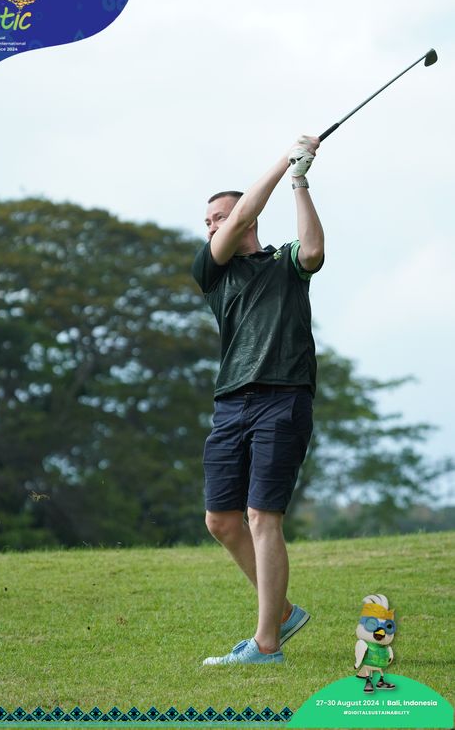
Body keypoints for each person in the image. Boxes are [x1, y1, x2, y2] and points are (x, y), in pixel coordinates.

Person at [191, 135, 324, 665]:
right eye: (207, 222)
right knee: (221, 520)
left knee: (261, 516)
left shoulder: (284, 263)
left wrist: (299, 180)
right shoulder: (211, 269)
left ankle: (267, 644)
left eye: (219, 218)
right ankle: (284, 612)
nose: (212, 227)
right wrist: (284, 158)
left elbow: (313, 252)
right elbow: (246, 209)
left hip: (283, 399)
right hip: (230, 403)